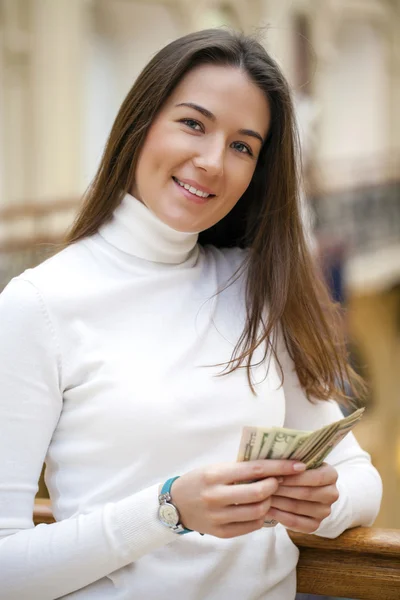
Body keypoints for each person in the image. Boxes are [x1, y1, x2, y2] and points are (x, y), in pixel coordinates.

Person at [0, 29, 382, 600]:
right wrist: (167, 511)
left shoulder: (253, 286)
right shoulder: (39, 305)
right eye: (194, 124)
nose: (211, 162)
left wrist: (324, 505)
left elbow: (361, 478)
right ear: (140, 123)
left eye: (243, 146)